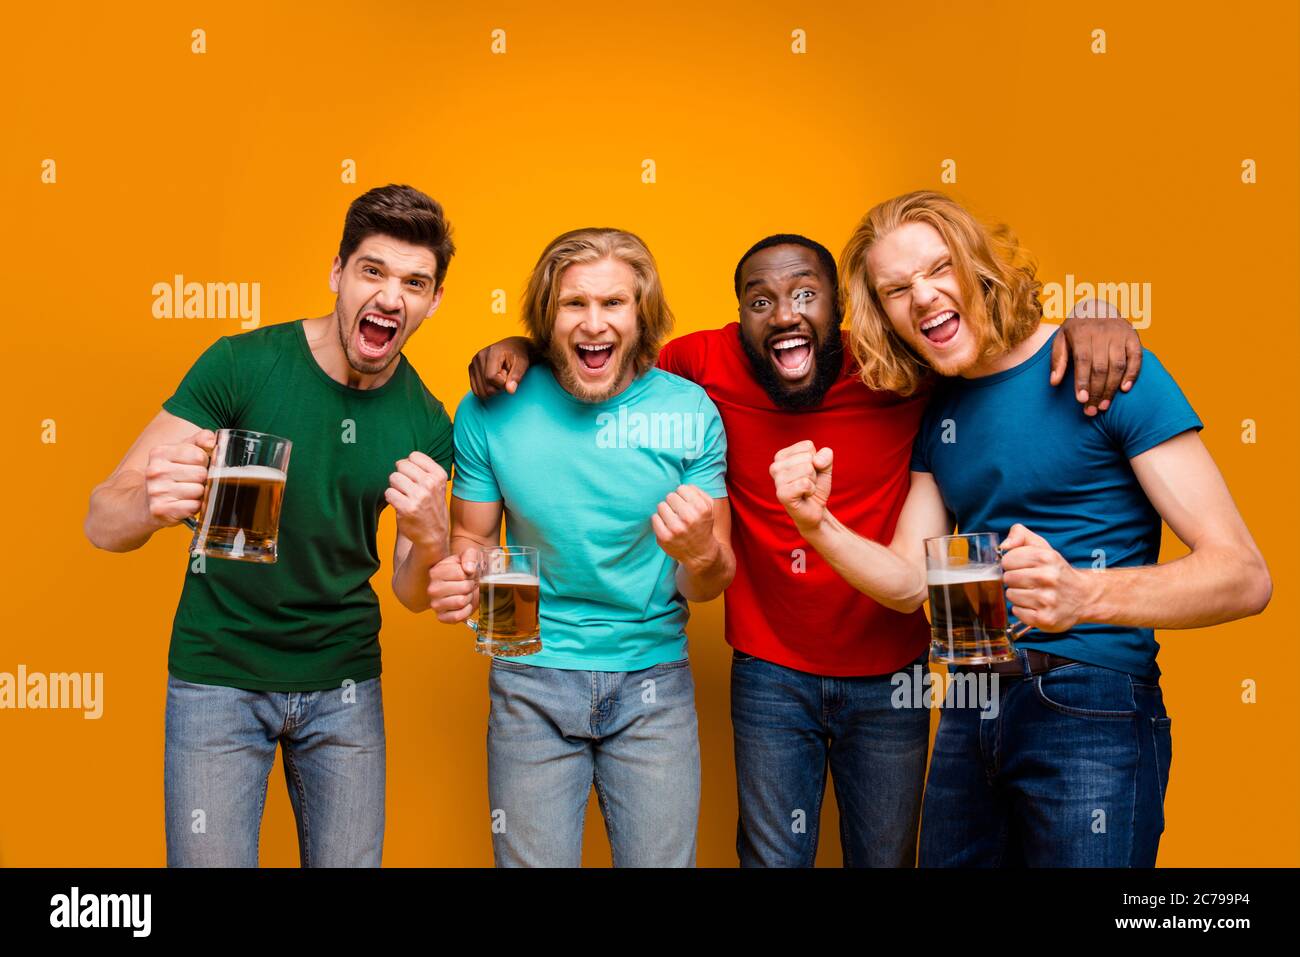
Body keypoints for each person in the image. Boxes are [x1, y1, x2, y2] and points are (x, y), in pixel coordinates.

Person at [468, 229, 1138, 866]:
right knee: (770, 858)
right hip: (768, 673)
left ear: (842, 308)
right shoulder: (701, 366)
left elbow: (986, 349)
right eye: (760, 301)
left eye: (806, 294)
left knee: (886, 858)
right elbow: (600, 356)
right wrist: (520, 349)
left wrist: (1091, 313)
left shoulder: (897, 367)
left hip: (891, 671)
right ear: (740, 319)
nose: (784, 313)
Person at [771, 189, 1271, 866]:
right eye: (896, 288)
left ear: (980, 267)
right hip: (971, 703)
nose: (921, 296)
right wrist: (816, 523)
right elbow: (909, 582)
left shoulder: (1106, 369)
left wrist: (1085, 596)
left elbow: (1244, 574)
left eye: (939, 267)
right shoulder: (940, 412)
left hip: (1089, 701)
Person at [84, 184, 457, 867]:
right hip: (218, 676)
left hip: (345, 686)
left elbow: (411, 590)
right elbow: (102, 518)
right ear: (337, 273)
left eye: (414, 282)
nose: (390, 295)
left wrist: (433, 536)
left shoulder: (428, 422)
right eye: (372, 270)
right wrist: (148, 504)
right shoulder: (242, 364)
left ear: (432, 302)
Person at [430, 227, 734, 867]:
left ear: (640, 313)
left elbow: (711, 578)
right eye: (575, 304)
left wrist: (701, 551)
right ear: (548, 315)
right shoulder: (490, 409)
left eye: (614, 304)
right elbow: (475, 538)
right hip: (529, 677)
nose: (594, 323)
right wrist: (464, 569)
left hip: (653, 680)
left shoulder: (690, 413)